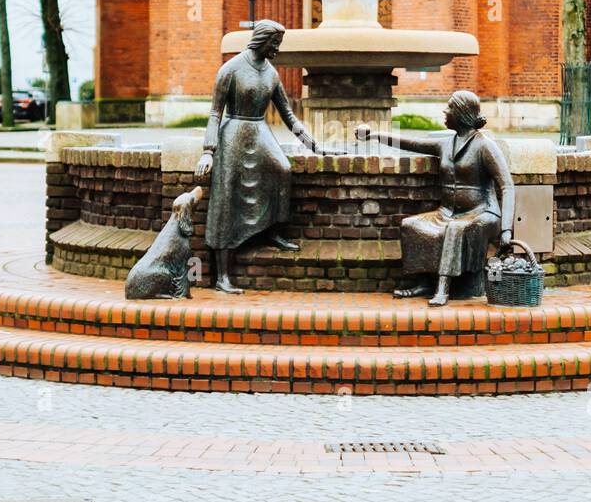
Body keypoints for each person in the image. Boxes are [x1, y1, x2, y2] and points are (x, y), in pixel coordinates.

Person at [195, 19, 326, 294]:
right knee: (226, 198)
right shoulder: (230, 69)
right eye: (274, 43)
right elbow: (215, 114)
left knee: (282, 170)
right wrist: (208, 152)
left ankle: (270, 230)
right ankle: (223, 275)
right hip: (234, 132)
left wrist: (312, 143)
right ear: (262, 40)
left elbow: (288, 115)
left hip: (259, 129)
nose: (277, 49)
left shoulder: (271, 73)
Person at [355, 91, 514, 306]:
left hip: (482, 213)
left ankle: (442, 288)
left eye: (449, 108)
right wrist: (375, 135)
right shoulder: (446, 143)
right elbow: (412, 143)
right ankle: (424, 282)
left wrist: (506, 229)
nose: (445, 112)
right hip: (448, 212)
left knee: (455, 229)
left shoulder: (485, 146)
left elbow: (507, 185)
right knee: (411, 225)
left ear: (462, 113)